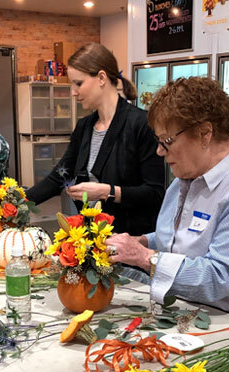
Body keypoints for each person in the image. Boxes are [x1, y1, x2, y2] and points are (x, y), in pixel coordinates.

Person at [104, 77, 229, 326]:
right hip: (179, 310)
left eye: (167, 141)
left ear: (205, 133)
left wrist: (145, 257)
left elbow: (218, 278)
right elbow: (178, 239)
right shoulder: (184, 179)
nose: (159, 151)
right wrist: (141, 241)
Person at [26, 43, 164, 236]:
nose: (73, 92)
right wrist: (17, 202)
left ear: (101, 78)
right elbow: (60, 176)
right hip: (91, 241)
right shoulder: (84, 127)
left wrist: (106, 191)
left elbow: (154, 193)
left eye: (78, 83)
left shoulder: (140, 124)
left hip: (129, 242)